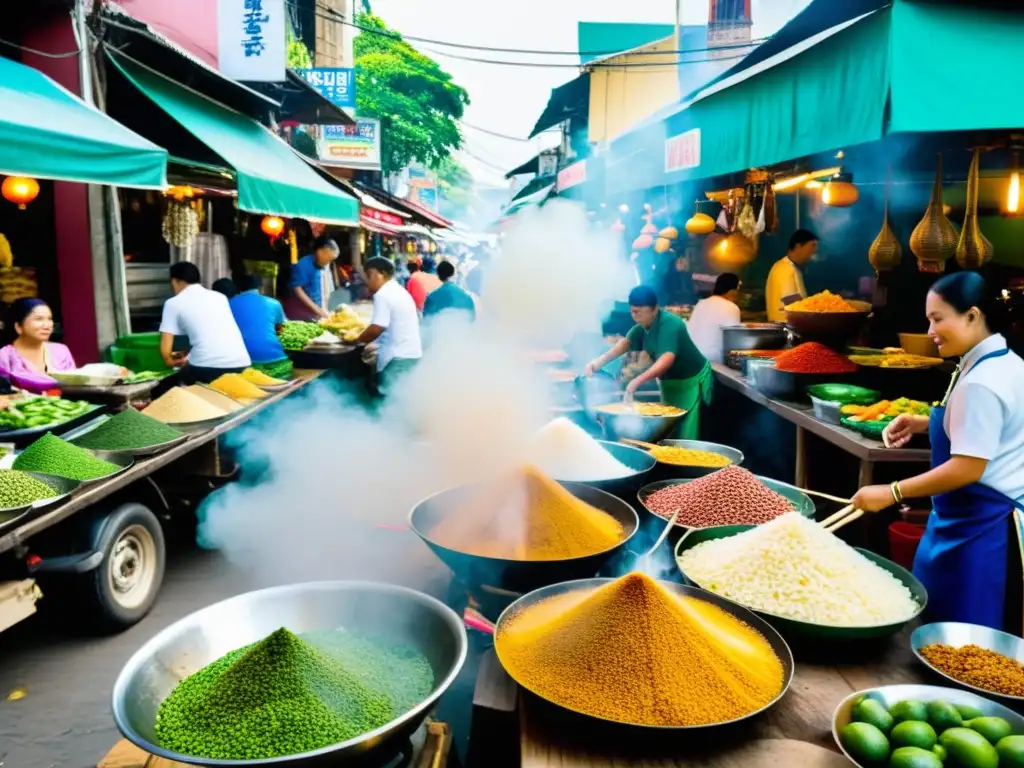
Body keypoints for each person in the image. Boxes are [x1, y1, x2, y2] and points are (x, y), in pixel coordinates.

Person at [851, 272, 1024, 630]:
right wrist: (923, 423)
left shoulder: (982, 382)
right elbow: (991, 434)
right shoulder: (1001, 361)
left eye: (937, 319)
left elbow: (967, 468)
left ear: (972, 315)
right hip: (968, 521)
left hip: (981, 531)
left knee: (964, 642)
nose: (930, 331)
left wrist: (891, 491)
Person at [584, 285, 711, 439]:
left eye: (639, 312)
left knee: (686, 434)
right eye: (633, 311)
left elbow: (667, 359)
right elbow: (624, 345)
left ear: (654, 309)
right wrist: (596, 364)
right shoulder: (643, 327)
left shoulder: (670, 324)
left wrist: (636, 382)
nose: (635, 316)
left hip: (692, 382)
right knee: (670, 431)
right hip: (670, 384)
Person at [159, 261, 251, 385]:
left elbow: (166, 351)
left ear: (175, 281)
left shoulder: (172, 303)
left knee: (166, 385)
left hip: (208, 369)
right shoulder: (220, 297)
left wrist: (171, 361)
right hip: (242, 364)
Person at [355, 257, 422, 395]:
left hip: (397, 359)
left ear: (383, 274)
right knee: (401, 401)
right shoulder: (398, 290)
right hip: (411, 354)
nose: (367, 281)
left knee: (390, 402)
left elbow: (376, 328)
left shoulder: (383, 294)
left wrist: (356, 340)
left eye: (369, 275)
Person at [0, 298, 77, 393]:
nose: (47, 325)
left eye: (49, 319)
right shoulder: (4, 357)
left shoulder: (61, 351)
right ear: (19, 326)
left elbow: (74, 384)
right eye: (39, 319)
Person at [227, 274, 288, 370]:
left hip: (242, 360)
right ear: (260, 287)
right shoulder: (274, 303)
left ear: (237, 288)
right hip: (274, 358)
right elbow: (281, 329)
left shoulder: (229, 304)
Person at [686, 273, 742, 364]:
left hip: (692, 356)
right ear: (732, 291)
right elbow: (734, 342)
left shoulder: (701, 304)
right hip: (713, 361)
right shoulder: (732, 307)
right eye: (738, 289)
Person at [765, 229, 817, 322]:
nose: (811, 256)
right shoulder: (785, 269)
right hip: (785, 329)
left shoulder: (789, 267)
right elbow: (792, 304)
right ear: (798, 246)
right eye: (810, 251)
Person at [287, 236, 339, 320]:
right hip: (306, 315)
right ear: (322, 250)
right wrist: (318, 311)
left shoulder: (326, 265)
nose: (329, 262)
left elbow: (328, 287)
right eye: (329, 258)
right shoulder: (303, 265)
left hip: (323, 313)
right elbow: (297, 290)